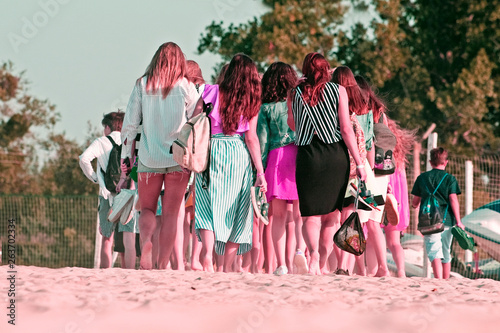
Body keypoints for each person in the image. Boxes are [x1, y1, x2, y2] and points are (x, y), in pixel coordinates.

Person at [120, 42, 199, 270]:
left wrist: (127, 156)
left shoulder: (142, 84)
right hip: (177, 159)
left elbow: (130, 126)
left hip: (149, 157)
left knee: (147, 209)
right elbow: (197, 121)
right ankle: (162, 264)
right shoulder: (185, 86)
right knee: (172, 215)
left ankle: (146, 242)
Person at [287, 53, 366, 275]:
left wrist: (292, 95)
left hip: (308, 155)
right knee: (332, 214)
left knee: (310, 214)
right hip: (334, 156)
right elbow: (346, 129)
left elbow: (292, 126)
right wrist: (359, 163)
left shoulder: (296, 93)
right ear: (326, 69)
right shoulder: (338, 91)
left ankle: (313, 254)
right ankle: (322, 259)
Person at [194, 53, 267, 273]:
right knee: (238, 211)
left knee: (207, 206)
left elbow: (195, 120)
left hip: (211, 150)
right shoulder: (252, 100)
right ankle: (226, 266)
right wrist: (260, 172)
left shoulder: (210, 91)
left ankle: (207, 255)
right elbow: (251, 138)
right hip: (237, 153)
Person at [257, 62, 305, 275]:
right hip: (298, 155)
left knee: (277, 217)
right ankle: (300, 252)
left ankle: (281, 265)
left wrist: (261, 169)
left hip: (277, 159)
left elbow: (263, 141)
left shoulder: (265, 108)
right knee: (298, 215)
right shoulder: (299, 102)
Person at [79, 111, 126, 268]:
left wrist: (94, 177)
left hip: (107, 194)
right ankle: (130, 271)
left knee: (107, 238)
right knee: (127, 237)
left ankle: (106, 272)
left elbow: (83, 159)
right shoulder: (129, 140)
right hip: (127, 194)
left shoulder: (101, 142)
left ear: (107, 127)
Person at [411, 147, 465, 279]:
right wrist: (458, 221)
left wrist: (415, 205)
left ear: (430, 162)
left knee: (434, 249)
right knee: (446, 251)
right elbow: (453, 199)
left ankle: (438, 279)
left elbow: (415, 201)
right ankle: (445, 280)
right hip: (447, 220)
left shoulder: (422, 178)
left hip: (429, 220)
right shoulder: (449, 179)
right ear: (446, 162)